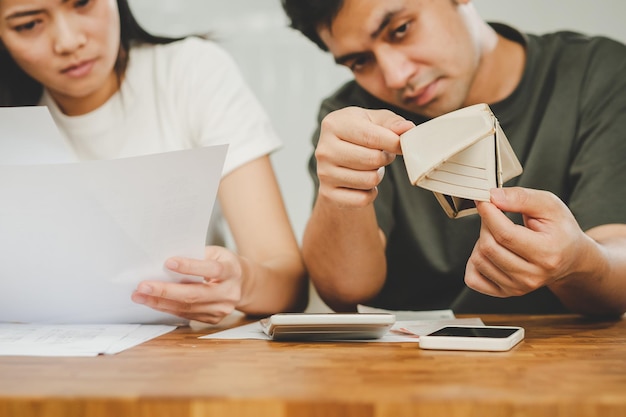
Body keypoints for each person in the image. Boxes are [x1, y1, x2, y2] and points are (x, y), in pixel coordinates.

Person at [280, 0, 626, 316]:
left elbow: (617, 267)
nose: (396, 76)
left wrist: (577, 262)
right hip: (403, 369)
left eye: (400, 30)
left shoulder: (597, 74)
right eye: (360, 61)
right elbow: (345, 292)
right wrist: (337, 194)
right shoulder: (352, 119)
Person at [0, 0, 308, 324]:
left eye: (82, 3)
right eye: (28, 24)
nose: (68, 42)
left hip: (185, 357)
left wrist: (241, 282)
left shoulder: (190, 73)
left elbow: (288, 283)